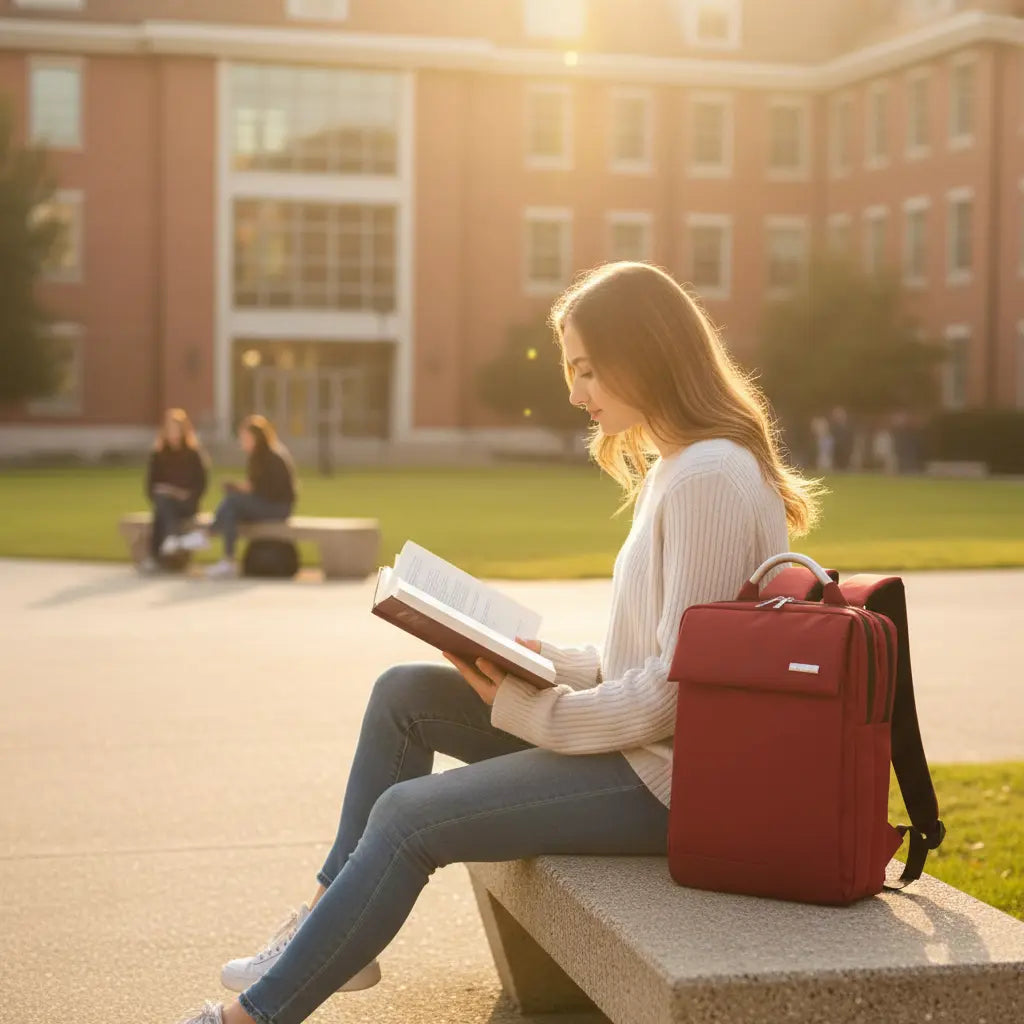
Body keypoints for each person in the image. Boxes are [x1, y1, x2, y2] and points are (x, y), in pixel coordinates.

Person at [175, 262, 823, 1024]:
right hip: (641, 755)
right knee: (404, 696)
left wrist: (530, 708)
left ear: (644, 352)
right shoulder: (678, 468)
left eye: (587, 370)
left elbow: (673, 696)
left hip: (668, 786)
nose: (576, 394)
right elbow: (647, 655)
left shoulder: (709, 476)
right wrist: (530, 660)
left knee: (409, 817)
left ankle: (249, 1020)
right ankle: (322, 923)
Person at [179, 414, 297, 579]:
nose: (242, 442)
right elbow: (254, 488)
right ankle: (228, 561)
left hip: (278, 508)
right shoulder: (257, 457)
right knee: (231, 511)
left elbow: (270, 491)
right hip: (266, 504)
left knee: (233, 501)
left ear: (256, 437)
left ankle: (207, 535)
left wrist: (240, 490)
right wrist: (236, 487)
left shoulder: (272, 457)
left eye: (245, 438)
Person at [142, 408, 208, 573]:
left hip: (187, 503)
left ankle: (154, 556)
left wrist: (184, 494)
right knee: (163, 502)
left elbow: (201, 483)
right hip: (165, 502)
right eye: (170, 428)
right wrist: (168, 492)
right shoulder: (158, 454)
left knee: (162, 510)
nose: (173, 433)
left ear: (183, 430)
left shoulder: (193, 454)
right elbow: (150, 485)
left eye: (176, 429)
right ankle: (172, 539)